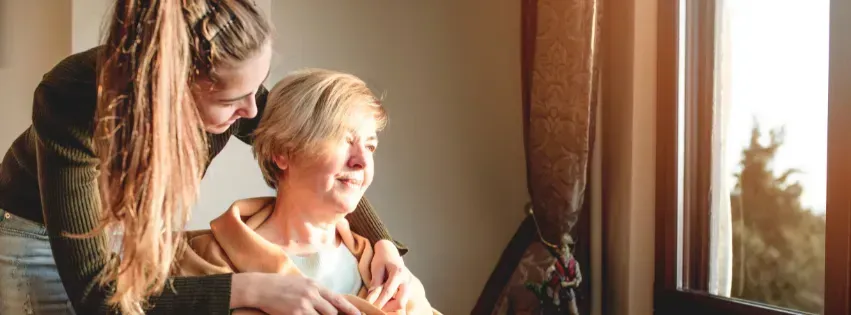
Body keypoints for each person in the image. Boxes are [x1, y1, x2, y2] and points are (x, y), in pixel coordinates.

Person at [0, 1, 411, 314]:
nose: (253, 111)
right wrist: (251, 288)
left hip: (127, 236)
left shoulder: (235, 89)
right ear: (174, 90)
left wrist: (382, 242)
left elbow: (310, 147)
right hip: (37, 240)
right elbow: (98, 298)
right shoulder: (72, 100)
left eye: (256, 88)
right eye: (232, 100)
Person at [175, 69, 439, 315]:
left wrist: (384, 242)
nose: (362, 161)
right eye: (342, 139)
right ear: (283, 152)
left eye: (370, 147)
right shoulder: (204, 260)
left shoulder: (393, 279)